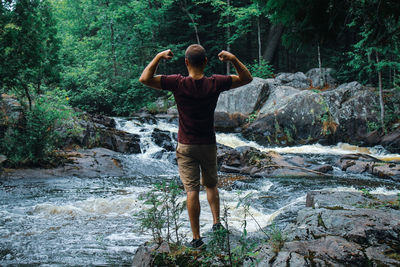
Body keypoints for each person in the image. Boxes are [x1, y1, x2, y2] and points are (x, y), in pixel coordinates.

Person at [139, 44, 252, 248]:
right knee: (210, 184)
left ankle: (197, 238)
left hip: (186, 145)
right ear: (206, 62)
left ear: (186, 62)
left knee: (192, 190)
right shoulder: (215, 83)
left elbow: (145, 79)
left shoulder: (177, 83)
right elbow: (247, 78)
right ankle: (217, 223)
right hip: (207, 143)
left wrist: (157, 57)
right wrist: (233, 59)